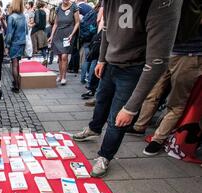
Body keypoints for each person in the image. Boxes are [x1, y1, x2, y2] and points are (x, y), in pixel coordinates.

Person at [72, 0, 183, 177]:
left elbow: (158, 61)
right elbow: (107, 27)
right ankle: (94, 128)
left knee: (119, 118)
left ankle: (105, 155)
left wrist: (132, 108)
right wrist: (102, 59)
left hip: (133, 67)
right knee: (101, 100)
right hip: (110, 63)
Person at [129, 2, 202, 156]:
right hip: (167, 51)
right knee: (152, 93)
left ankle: (158, 138)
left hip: (190, 54)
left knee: (176, 102)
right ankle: (139, 125)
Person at [48, 0, 80, 85]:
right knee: (59, 57)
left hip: (68, 35)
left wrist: (72, 34)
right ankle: (60, 75)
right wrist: (51, 35)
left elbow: (77, 23)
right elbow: (55, 23)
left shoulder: (74, 7)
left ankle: (64, 77)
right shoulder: (58, 8)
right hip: (58, 34)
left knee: (64, 56)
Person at [5, 0, 27, 93]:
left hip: (14, 43)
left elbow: (9, 33)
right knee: (17, 63)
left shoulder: (11, 17)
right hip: (22, 42)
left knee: (14, 64)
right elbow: (26, 30)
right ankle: (16, 82)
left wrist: (7, 45)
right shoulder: (23, 16)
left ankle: (16, 86)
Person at [30, 1, 48, 65]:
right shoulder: (44, 12)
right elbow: (44, 23)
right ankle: (45, 58)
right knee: (43, 47)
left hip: (36, 31)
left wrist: (31, 25)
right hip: (42, 31)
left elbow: (37, 22)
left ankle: (33, 62)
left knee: (34, 47)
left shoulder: (37, 11)